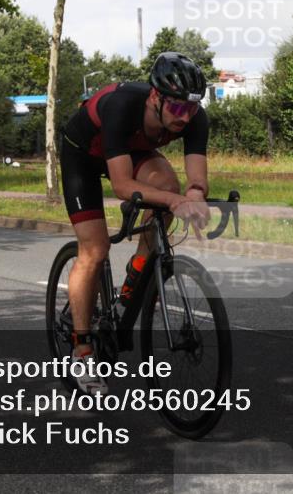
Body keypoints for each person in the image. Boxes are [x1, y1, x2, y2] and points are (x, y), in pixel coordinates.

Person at [60, 52, 212, 394]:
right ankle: (82, 351)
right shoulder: (122, 106)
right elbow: (122, 186)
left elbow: (196, 181)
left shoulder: (194, 118)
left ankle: (139, 268)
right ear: (155, 97)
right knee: (95, 250)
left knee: (170, 188)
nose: (184, 117)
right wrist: (176, 202)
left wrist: (196, 196)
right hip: (84, 154)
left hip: (132, 150)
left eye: (191, 109)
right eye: (176, 107)